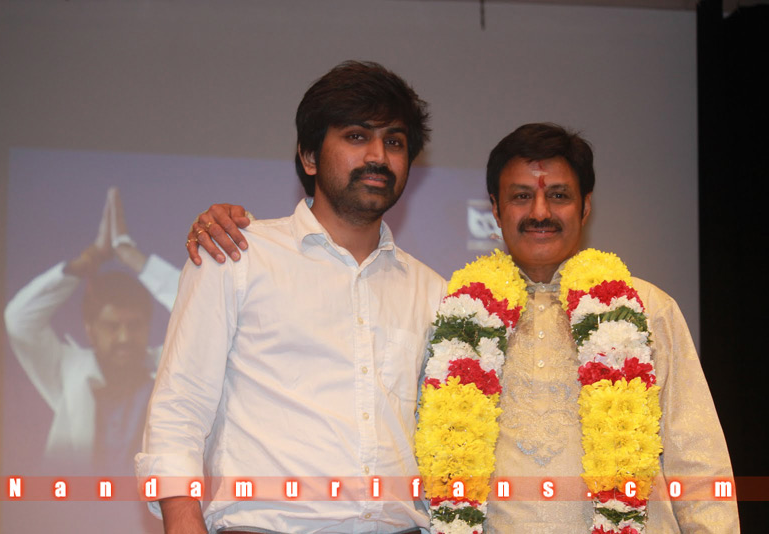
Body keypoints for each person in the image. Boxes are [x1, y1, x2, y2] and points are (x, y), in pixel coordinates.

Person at [189, 123, 739, 532]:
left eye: (559, 195)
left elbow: (699, 457)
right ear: (495, 211)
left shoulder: (646, 308)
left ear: (586, 207)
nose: (539, 212)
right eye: (521, 196)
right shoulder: (455, 313)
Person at [136, 61, 446, 534]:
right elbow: (179, 409)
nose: (379, 156)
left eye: (395, 142)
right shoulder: (237, 255)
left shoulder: (432, 290)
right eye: (357, 136)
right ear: (309, 156)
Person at [5, 187, 179, 471]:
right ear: (90, 329)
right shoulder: (69, 372)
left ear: (148, 326)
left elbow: (205, 312)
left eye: (134, 325)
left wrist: (129, 255)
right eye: (112, 326)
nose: (124, 337)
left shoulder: (168, 371)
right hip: (75, 501)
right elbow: (19, 319)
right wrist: (90, 259)